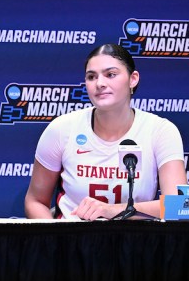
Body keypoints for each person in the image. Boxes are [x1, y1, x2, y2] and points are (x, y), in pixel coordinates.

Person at [25, 44, 185, 220]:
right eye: (91, 77)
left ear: (133, 79)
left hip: (136, 243)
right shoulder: (62, 129)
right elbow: (35, 201)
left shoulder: (160, 131)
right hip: (72, 242)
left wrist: (111, 210)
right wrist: (57, 243)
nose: (100, 83)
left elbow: (180, 205)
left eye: (111, 75)